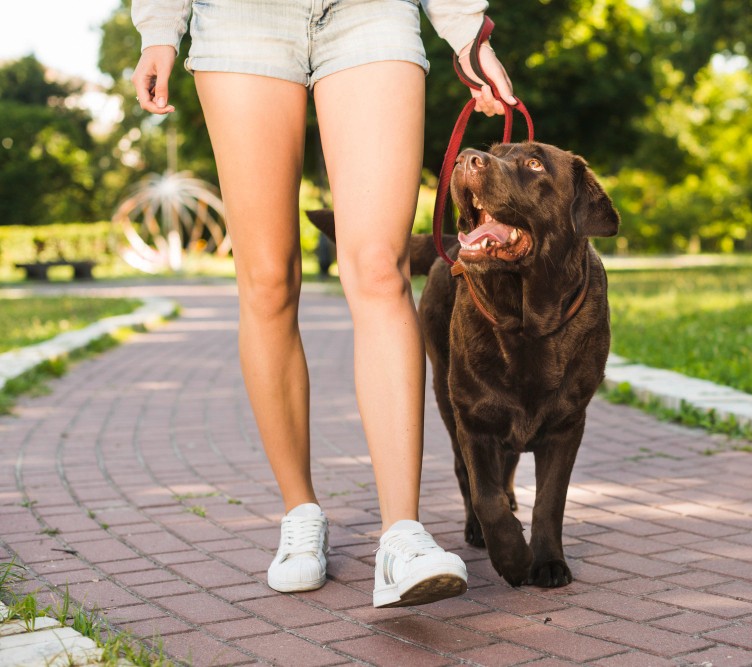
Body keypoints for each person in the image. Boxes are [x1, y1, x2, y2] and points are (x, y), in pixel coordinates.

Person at [131, 0, 515, 608]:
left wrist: (468, 32)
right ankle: (300, 512)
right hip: (239, 21)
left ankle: (402, 536)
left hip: (371, 15)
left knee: (380, 270)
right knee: (267, 280)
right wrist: (158, 30)